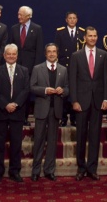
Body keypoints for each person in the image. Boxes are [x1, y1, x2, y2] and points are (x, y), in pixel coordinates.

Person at [69, 26, 107, 181]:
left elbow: (106, 78)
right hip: (81, 101)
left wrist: (106, 99)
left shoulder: (103, 55)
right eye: (90, 36)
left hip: (98, 101)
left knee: (95, 135)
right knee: (81, 135)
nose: (92, 38)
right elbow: (72, 80)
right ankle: (81, 168)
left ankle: (92, 168)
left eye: (95, 35)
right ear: (84, 37)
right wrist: (74, 100)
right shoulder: (76, 56)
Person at [0, 43, 30, 183]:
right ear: (4, 55)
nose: (11, 56)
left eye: (14, 54)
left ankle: (15, 171)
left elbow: (26, 90)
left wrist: (15, 104)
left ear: (17, 55)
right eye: (9, 54)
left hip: (17, 112)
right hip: (1, 112)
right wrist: (5, 104)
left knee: (16, 144)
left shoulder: (24, 70)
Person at [30, 43, 69, 182]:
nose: (52, 54)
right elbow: (32, 87)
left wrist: (63, 91)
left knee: (52, 142)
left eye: (54, 51)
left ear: (57, 54)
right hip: (41, 109)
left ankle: (49, 170)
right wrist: (45, 90)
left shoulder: (63, 70)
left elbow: (67, 88)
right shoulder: (37, 68)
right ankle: (35, 171)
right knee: (39, 140)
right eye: (49, 52)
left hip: (56, 110)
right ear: (45, 54)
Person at [11, 5, 43, 120]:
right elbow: (11, 48)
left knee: (26, 93)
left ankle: (24, 117)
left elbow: (39, 50)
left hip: (30, 67)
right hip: (15, 66)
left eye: (21, 15)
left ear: (28, 16)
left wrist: (36, 68)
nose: (18, 16)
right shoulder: (14, 28)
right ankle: (14, 114)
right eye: (18, 14)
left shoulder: (37, 28)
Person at [55, 11, 85, 126]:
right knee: (63, 93)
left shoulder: (82, 32)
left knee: (75, 93)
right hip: (64, 66)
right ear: (66, 20)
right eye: (70, 18)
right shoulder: (60, 32)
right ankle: (63, 117)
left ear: (77, 20)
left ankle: (74, 118)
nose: (72, 20)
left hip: (77, 67)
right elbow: (56, 50)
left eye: (74, 18)